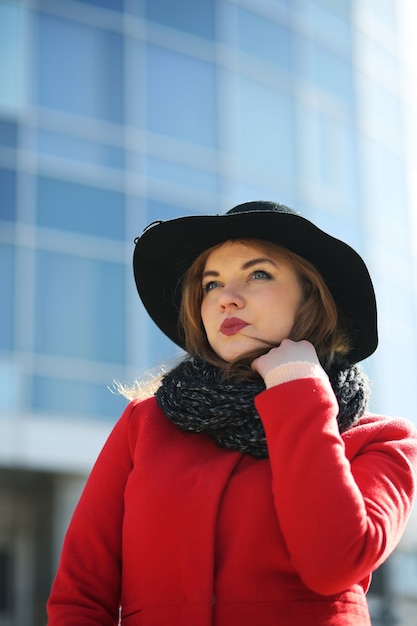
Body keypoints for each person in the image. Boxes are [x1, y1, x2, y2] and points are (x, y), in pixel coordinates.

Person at [47, 201, 417, 626]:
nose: (227, 299)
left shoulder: (383, 439)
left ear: (311, 297)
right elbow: (80, 596)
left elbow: (333, 561)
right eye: (211, 284)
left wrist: (298, 388)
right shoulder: (144, 424)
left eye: (258, 274)